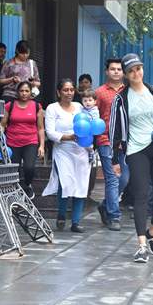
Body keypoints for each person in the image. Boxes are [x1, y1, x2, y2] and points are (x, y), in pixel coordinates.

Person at [110, 53, 153, 263]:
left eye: (138, 68)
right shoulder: (121, 98)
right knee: (141, 195)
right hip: (136, 150)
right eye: (131, 71)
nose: (136, 73)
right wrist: (114, 159)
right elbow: (114, 129)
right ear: (126, 75)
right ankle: (142, 246)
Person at [42, 79, 90, 233]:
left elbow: (87, 127)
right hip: (62, 150)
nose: (69, 93)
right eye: (65, 90)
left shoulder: (79, 107)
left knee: (81, 185)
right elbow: (50, 132)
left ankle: (76, 222)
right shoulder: (52, 108)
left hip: (81, 150)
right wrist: (68, 137)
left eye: (71, 90)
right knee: (65, 183)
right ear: (58, 92)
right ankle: (61, 215)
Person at [95, 58, 129, 232]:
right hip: (106, 140)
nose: (116, 72)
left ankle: (105, 204)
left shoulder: (129, 91)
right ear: (107, 72)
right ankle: (114, 216)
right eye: (113, 69)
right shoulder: (100, 93)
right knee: (112, 179)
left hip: (125, 141)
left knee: (125, 178)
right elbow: (95, 116)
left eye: (119, 69)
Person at [0, 81, 45, 200]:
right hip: (12, 141)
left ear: (31, 92)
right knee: (15, 168)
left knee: (29, 167)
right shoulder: (10, 105)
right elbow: (3, 124)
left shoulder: (36, 106)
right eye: (21, 91)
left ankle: (27, 185)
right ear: (17, 92)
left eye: (27, 91)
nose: (24, 93)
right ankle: (17, 189)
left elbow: (40, 128)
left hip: (31, 141)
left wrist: (42, 146)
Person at [80, 89, 99, 163]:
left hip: (91, 131)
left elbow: (95, 122)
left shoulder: (95, 111)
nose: (87, 102)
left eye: (90, 100)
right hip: (83, 130)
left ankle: (92, 154)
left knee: (90, 145)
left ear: (95, 101)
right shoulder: (82, 109)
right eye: (85, 100)